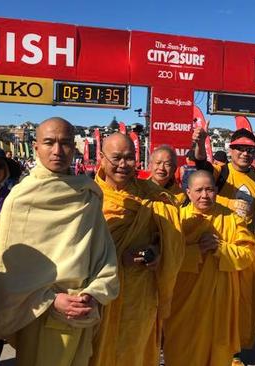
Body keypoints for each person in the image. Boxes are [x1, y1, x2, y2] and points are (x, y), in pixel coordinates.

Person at [0, 117, 119, 366]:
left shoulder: (88, 193)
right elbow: (8, 269)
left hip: (81, 308)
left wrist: (93, 293)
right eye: (49, 142)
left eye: (65, 143)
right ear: (36, 148)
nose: (58, 151)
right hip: (36, 312)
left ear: (75, 147)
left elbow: (103, 253)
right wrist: (50, 300)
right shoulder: (21, 197)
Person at [90, 133, 184, 366]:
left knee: (135, 352)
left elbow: (170, 242)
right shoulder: (89, 196)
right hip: (98, 292)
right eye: (116, 158)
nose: (123, 165)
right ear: (102, 159)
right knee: (95, 352)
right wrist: (117, 257)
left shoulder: (152, 196)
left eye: (129, 158)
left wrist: (156, 252)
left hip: (139, 293)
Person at [163, 170, 255, 366]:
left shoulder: (231, 219)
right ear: (188, 192)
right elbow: (167, 257)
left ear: (216, 191)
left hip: (219, 304)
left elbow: (248, 256)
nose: (204, 195)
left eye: (209, 190)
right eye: (198, 190)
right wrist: (195, 251)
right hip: (184, 303)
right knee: (181, 352)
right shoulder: (177, 219)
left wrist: (220, 248)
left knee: (218, 355)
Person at [193, 128, 255, 363]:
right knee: (210, 302)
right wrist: (200, 142)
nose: (245, 153)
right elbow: (201, 164)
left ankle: (231, 353)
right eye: (240, 149)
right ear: (231, 150)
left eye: (249, 149)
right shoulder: (220, 172)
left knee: (239, 305)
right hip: (213, 243)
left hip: (241, 249)